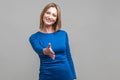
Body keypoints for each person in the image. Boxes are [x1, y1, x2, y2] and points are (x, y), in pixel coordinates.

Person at [29, 3, 77, 80]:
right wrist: (45, 51)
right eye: (48, 13)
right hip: (47, 76)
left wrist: (74, 77)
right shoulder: (34, 37)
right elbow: (38, 49)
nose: (50, 17)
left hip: (67, 75)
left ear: (56, 19)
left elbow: (68, 57)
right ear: (43, 14)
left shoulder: (63, 34)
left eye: (54, 15)